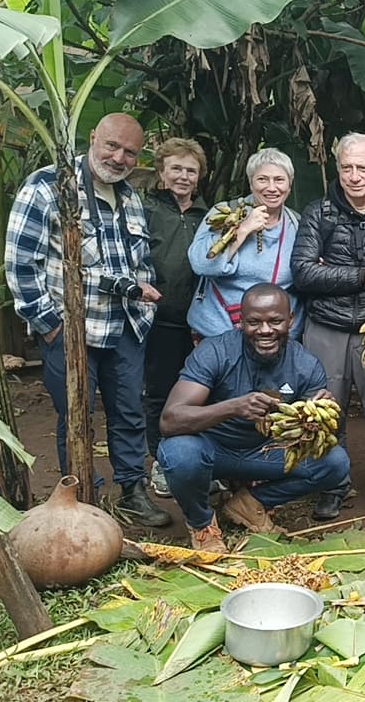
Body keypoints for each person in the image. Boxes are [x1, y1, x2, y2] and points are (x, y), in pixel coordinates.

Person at [5, 112, 171, 527]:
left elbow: (141, 262)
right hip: (71, 329)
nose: (118, 158)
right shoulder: (48, 185)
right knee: (76, 416)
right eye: (112, 146)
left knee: (130, 412)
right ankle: (82, 497)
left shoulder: (129, 196)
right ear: (93, 137)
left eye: (130, 153)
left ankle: (133, 492)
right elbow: (20, 264)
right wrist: (49, 325)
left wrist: (144, 311)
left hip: (126, 327)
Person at [157, 284, 351, 553]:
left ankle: (251, 504)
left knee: (335, 462)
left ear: (291, 320)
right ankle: (202, 524)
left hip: (266, 452)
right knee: (178, 453)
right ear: (240, 322)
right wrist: (233, 407)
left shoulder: (306, 365)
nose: (265, 330)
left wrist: (313, 418)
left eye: (275, 321)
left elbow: (314, 437)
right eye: (254, 322)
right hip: (212, 450)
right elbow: (169, 421)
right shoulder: (214, 352)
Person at [290, 133, 365, 521]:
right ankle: (331, 486)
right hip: (328, 325)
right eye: (346, 168)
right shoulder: (319, 212)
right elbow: (303, 272)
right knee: (326, 411)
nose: (354, 176)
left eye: (362, 168)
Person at [143, 137, 209, 498]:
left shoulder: (207, 215)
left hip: (199, 320)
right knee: (160, 392)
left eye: (190, 170)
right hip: (158, 317)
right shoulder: (147, 210)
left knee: (202, 394)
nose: (183, 177)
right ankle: (161, 462)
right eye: (176, 169)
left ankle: (198, 461)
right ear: (162, 171)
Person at [188, 148, 303, 339]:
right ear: (251, 184)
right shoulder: (225, 213)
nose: (272, 187)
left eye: (279, 180)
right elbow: (201, 264)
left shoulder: (296, 224)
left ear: (289, 186)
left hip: (272, 338)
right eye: (262, 179)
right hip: (219, 331)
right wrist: (242, 230)